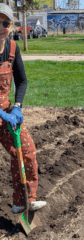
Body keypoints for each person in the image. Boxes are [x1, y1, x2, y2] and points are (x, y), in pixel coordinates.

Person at [0, 4, 46, 213]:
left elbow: (22, 81)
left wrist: (17, 107)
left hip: (6, 111)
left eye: (5, 23)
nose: (1, 27)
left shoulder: (12, 48)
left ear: (10, 26)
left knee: (26, 151)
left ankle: (24, 201)